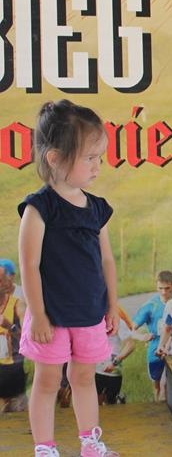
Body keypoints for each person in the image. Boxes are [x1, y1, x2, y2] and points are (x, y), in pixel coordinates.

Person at [18, 99, 120, 456]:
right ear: (55, 158)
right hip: (52, 317)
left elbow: (106, 260)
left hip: (90, 314)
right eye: (89, 158)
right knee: (48, 381)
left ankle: (90, 443)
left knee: (84, 377)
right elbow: (29, 265)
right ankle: (44, 448)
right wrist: (38, 315)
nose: (98, 166)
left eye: (99, 157)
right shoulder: (39, 208)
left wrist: (112, 305)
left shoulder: (97, 208)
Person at [131, 270, 172, 401]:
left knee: (171, 385)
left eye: (167, 288)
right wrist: (141, 337)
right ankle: (157, 405)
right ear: (156, 286)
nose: (164, 292)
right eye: (160, 288)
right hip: (155, 348)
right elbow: (131, 329)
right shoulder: (151, 305)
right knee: (157, 385)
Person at [95, 309, 136, 405]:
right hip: (94, 370)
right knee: (94, 406)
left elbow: (130, 345)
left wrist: (115, 362)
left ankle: (118, 400)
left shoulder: (118, 322)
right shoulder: (92, 321)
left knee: (110, 405)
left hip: (111, 370)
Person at [1, 268, 27, 413]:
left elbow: (26, 337)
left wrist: (10, 326)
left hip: (13, 370)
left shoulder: (17, 304)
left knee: (17, 413)